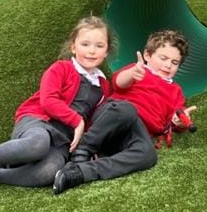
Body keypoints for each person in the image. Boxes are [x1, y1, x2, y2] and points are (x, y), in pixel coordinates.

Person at [0, 16, 111, 199]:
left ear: (106, 51)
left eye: (99, 46)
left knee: (49, 171)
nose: (92, 51)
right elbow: (48, 100)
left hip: (63, 141)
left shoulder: (103, 85)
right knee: (38, 144)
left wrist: (90, 146)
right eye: (85, 44)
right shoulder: (60, 68)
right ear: (73, 46)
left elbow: (97, 120)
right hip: (37, 122)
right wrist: (77, 121)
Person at [53, 29, 196, 194]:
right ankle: (82, 151)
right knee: (127, 109)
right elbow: (118, 83)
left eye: (174, 62)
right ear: (148, 56)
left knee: (148, 155)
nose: (167, 65)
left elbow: (175, 119)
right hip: (113, 117)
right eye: (163, 58)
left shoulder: (176, 91)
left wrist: (179, 121)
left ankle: (80, 173)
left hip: (135, 133)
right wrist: (133, 74)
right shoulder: (138, 70)